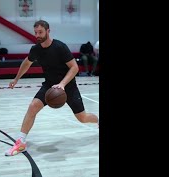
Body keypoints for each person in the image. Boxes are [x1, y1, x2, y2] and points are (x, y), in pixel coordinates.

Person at [5, 20, 99, 156]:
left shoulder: (60, 47)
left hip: (69, 87)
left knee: (83, 118)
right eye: (36, 32)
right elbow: (27, 62)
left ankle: (98, 120)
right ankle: (21, 142)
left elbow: (74, 68)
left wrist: (62, 84)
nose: (37, 35)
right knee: (33, 106)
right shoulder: (36, 49)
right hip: (49, 85)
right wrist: (16, 78)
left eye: (40, 32)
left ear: (48, 31)